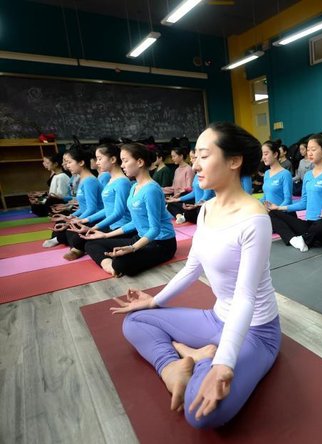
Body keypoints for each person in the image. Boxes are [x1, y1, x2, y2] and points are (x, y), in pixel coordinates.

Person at [112, 122, 280, 429]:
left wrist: (224, 365)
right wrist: (154, 301)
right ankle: (179, 362)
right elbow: (192, 267)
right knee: (135, 320)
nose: (195, 164)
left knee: (200, 412)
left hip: (256, 333)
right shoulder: (206, 209)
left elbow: (246, 297)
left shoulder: (255, 220)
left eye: (203, 155)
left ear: (233, 160)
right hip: (216, 319)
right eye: (195, 156)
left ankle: (202, 358)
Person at [83, 143, 177, 277]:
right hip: (141, 238)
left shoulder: (151, 190)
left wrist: (132, 248)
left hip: (160, 243)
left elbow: (155, 229)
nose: (122, 165)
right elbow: (135, 222)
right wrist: (105, 235)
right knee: (91, 244)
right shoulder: (134, 187)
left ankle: (115, 265)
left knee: (122, 263)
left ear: (139, 162)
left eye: (125, 161)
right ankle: (109, 265)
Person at [267, 134, 322, 252]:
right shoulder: (308, 175)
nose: (309, 153)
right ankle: (294, 240)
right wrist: (279, 207)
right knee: (273, 213)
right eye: (308, 149)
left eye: (313, 149)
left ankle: (304, 239)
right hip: (309, 225)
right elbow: (303, 203)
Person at [63, 144, 133, 260]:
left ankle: (104, 261)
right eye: (97, 159)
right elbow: (107, 209)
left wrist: (94, 227)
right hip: (111, 224)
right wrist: (84, 220)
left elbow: (118, 212)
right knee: (77, 232)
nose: (97, 162)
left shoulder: (122, 182)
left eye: (100, 158)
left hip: (121, 227)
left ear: (113, 159)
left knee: (90, 243)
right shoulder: (111, 180)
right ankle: (79, 248)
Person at [45, 147, 103, 248]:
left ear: (81, 162)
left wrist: (77, 219)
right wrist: (70, 217)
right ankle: (63, 239)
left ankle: (65, 241)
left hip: (94, 218)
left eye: (69, 162)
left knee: (72, 234)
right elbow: (83, 207)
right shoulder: (82, 179)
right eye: (66, 163)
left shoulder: (90, 181)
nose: (67, 166)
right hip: (86, 216)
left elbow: (92, 209)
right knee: (63, 223)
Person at [167, 148, 214, 224]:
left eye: (194, 157)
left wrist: (196, 205)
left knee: (192, 211)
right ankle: (182, 216)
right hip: (197, 205)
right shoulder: (197, 175)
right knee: (172, 205)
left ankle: (185, 216)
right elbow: (194, 192)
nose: (191, 160)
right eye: (191, 157)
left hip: (203, 206)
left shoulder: (207, 174)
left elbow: (207, 196)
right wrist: (178, 199)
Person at [29, 152, 70, 217]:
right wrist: (41, 198)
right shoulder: (56, 176)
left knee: (41, 203)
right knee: (36, 203)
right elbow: (52, 192)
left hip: (60, 201)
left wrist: (44, 198)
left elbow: (61, 195)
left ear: (56, 164)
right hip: (54, 198)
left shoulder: (62, 176)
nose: (45, 164)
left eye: (48, 163)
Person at [259, 140, 293, 210]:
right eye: (262, 154)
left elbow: (288, 200)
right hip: (271, 213)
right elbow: (265, 197)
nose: (263, 157)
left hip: (282, 215)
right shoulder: (267, 173)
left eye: (266, 154)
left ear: (275, 154)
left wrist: (276, 209)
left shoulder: (285, 174)